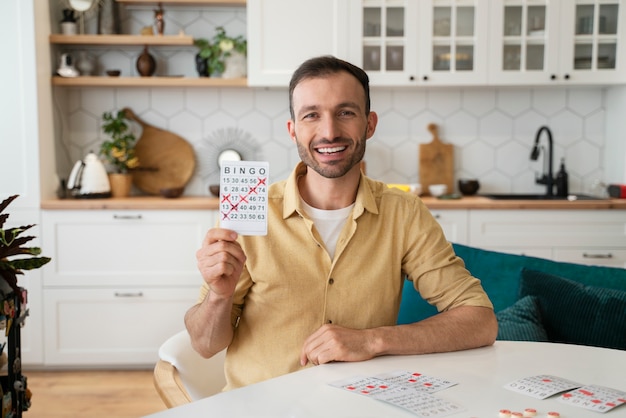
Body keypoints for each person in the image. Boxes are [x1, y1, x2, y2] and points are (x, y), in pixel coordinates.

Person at [185, 55, 497, 391]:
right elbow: (205, 346)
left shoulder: (403, 213)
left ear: (370, 124)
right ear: (293, 130)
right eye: (311, 116)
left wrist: (372, 341)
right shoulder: (250, 210)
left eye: (345, 112)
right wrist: (219, 295)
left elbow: (480, 321)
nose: (329, 131)